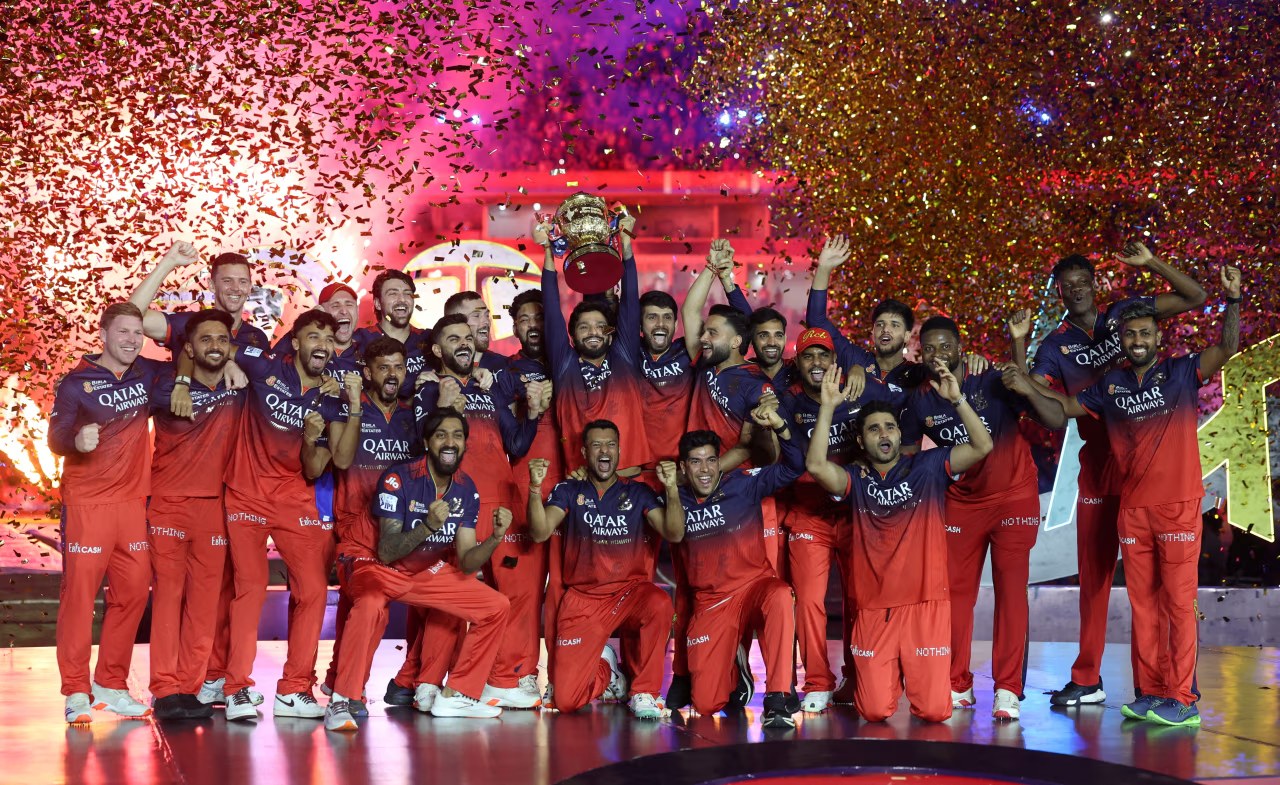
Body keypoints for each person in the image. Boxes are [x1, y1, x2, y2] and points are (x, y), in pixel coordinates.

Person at [1040, 265, 1240, 727]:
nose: (1137, 340)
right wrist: (1019, 375)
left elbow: (1227, 347)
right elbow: (1065, 407)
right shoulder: (1110, 386)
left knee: (1178, 604)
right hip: (1133, 511)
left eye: (1145, 333)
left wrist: (1232, 302)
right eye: (1130, 334)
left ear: (1157, 336)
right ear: (1122, 339)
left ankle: (1183, 698)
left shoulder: (1182, 371)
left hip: (1176, 507)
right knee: (1144, 605)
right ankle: (1150, 692)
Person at [1015, 242, 1207, 707]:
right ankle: (1087, 677)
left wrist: (1152, 263)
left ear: (1095, 285)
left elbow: (1196, 297)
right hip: (1100, 469)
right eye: (1068, 286)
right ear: (1059, 293)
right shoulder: (1056, 346)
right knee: (1095, 578)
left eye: (1084, 282)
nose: (1077, 290)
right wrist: (1019, 350)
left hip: (1150, 464)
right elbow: (1038, 401)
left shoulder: (1125, 316)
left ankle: (1162, 686)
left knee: (1164, 587)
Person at [804, 363, 993, 723]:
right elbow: (815, 466)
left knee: (935, 712)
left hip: (925, 606)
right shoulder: (855, 478)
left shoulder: (929, 466)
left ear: (899, 433)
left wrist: (958, 401)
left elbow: (982, 445)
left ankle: (917, 679)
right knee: (874, 711)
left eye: (889, 426)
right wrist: (827, 407)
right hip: (874, 611)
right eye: (873, 429)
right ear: (862, 441)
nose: (883, 433)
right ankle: (891, 678)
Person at [900, 315, 1066, 720]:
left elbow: (1047, 412)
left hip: (1013, 497)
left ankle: (1007, 688)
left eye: (945, 346)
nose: (938, 355)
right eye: (929, 348)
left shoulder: (988, 378)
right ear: (919, 353)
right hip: (962, 502)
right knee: (955, 595)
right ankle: (957, 682)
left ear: (961, 349)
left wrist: (1018, 348)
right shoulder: (918, 400)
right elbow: (906, 459)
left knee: (1011, 592)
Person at [328, 408, 515, 727]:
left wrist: (495, 538)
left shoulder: (466, 488)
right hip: (371, 562)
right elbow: (386, 551)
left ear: (465, 444)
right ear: (427, 442)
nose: (450, 442)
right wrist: (428, 525)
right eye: (441, 435)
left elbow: (467, 561)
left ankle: (456, 695)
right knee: (371, 605)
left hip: (421, 569)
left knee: (496, 606)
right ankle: (342, 700)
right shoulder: (398, 478)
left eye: (457, 435)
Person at [220, 309, 354, 721]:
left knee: (313, 591)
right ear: (295, 343)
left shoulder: (334, 397)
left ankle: (295, 689)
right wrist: (226, 364)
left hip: (296, 499)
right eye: (314, 337)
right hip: (246, 495)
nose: (322, 345)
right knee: (250, 587)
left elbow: (319, 468)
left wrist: (314, 437)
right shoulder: (264, 365)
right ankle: (236, 688)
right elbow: (210, 346)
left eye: (328, 339)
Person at [414, 314, 547, 708]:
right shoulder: (428, 389)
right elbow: (417, 444)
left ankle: (503, 679)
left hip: (502, 500)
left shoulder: (487, 389)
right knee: (454, 596)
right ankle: (429, 682)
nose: (464, 343)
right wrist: (441, 405)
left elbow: (516, 444)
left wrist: (534, 413)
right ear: (437, 349)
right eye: (454, 338)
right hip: (457, 503)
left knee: (516, 593)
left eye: (468, 338)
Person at [49, 302, 162, 723]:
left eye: (138, 333)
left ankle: (111, 685)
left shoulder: (146, 373)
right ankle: (76, 690)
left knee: (132, 594)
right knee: (79, 599)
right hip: (88, 505)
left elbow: (191, 362)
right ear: (103, 335)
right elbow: (56, 437)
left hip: (132, 504)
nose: (132, 340)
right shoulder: (76, 383)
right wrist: (76, 441)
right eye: (123, 332)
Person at [526, 421, 685, 718]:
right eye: (597, 445)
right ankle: (609, 671)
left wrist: (672, 489)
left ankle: (645, 692)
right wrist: (535, 489)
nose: (604, 451)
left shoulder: (638, 492)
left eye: (611, 444)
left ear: (619, 450)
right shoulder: (569, 490)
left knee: (660, 603)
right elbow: (539, 532)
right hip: (584, 599)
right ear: (584, 452)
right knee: (567, 700)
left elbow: (674, 533)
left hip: (629, 593)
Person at [776, 327, 897, 714]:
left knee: (861, 598)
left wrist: (861, 366)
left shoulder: (862, 390)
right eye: (808, 356)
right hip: (809, 514)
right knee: (809, 601)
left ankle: (857, 676)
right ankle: (817, 681)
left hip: (856, 515)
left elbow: (897, 424)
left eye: (823, 355)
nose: (816, 362)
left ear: (835, 361)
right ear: (798, 363)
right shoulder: (788, 401)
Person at [673, 408, 805, 729]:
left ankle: (777, 696)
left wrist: (781, 427)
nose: (705, 469)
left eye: (711, 460)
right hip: (712, 603)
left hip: (755, 587)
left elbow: (794, 466)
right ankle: (736, 666)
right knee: (706, 704)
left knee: (780, 594)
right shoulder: (674, 499)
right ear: (683, 468)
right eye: (696, 462)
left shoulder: (744, 484)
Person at [147, 310, 244, 720]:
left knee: (205, 606)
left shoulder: (240, 387)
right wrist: (182, 380)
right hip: (168, 504)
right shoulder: (163, 382)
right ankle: (165, 689)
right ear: (187, 347)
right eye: (205, 339)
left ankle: (189, 688)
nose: (214, 347)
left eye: (222, 339)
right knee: (169, 600)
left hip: (216, 509)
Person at [318, 337, 420, 717]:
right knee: (368, 604)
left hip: (396, 531)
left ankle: (340, 679)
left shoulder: (412, 417)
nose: (392, 374)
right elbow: (340, 462)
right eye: (383, 367)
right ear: (367, 372)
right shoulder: (346, 407)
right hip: (354, 529)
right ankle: (349, 690)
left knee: (359, 606)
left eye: (398, 367)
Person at [538, 213, 654, 474]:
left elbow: (630, 300)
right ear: (571, 335)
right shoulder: (565, 365)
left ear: (611, 333)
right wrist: (547, 250)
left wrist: (626, 243)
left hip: (631, 482)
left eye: (600, 326)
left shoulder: (623, 356)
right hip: (582, 486)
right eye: (584, 327)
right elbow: (551, 309)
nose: (593, 332)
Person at [504, 288, 566, 708]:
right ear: (514, 327)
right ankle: (521, 672)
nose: (533, 326)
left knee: (563, 587)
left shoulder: (571, 364)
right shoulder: (504, 371)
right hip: (522, 488)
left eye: (540, 317)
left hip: (567, 491)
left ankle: (563, 674)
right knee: (523, 589)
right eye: (525, 318)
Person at [806, 235, 922, 388]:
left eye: (894, 325)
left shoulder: (917, 375)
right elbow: (816, 321)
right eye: (880, 324)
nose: (885, 329)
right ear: (872, 332)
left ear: (907, 335)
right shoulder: (855, 359)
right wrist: (824, 269)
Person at [352, 269, 432, 395]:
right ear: (378, 303)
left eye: (407, 294)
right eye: (393, 294)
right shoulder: (360, 340)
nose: (402, 299)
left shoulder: (429, 339)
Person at [444, 290, 508, 374]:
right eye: (476, 316)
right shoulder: (433, 367)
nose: (487, 321)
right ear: (454, 322)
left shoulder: (505, 367)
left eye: (487, 315)